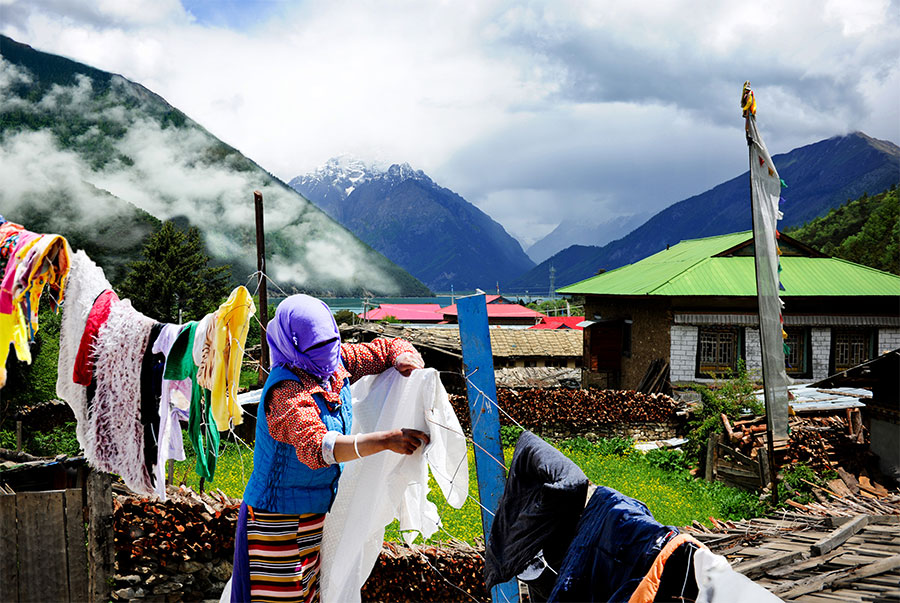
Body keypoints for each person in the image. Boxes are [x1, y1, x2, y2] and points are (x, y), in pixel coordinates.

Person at [231, 294, 429, 602]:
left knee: (310, 595)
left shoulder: (332, 362)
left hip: (316, 513)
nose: (328, 354)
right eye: (317, 347)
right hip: (276, 520)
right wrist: (387, 440)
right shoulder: (286, 392)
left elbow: (384, 348)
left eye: (332, 342)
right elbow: (318, 448)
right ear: (293, 345)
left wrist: (403, 355)